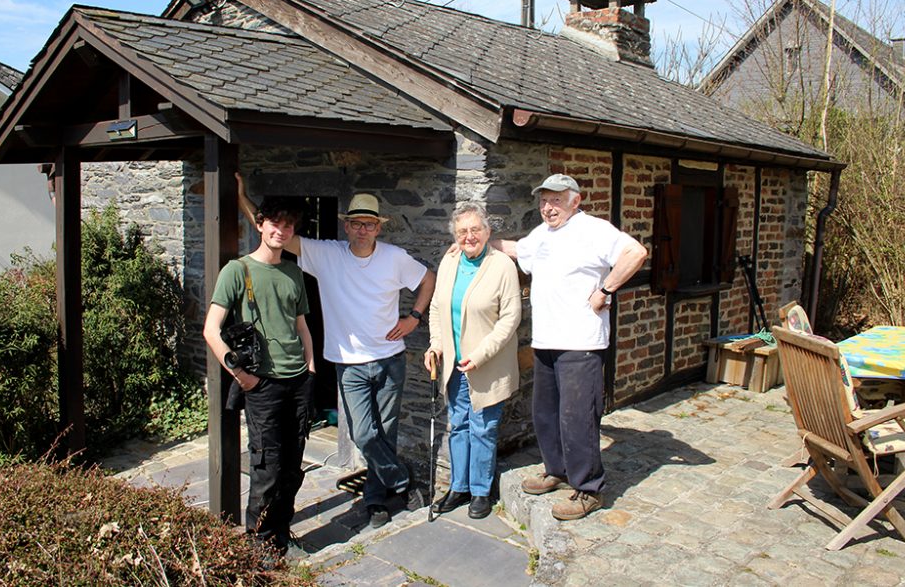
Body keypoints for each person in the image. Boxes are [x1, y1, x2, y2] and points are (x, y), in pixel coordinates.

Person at [236, 177, 436, 529]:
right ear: (347, 226)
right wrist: (242, 197)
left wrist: (414, 318)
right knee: (364, 434)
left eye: (369, 224)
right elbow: (274, 232)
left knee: (384, 433)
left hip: (391, 359)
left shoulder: (395, 258)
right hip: (350, 365)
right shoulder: (327, 254)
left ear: (378, 228)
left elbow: (428, 279)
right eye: (356, 223)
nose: (362, 229)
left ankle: (376, 500)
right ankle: (402, 481)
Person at [493, 173, 648, 520]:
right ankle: (558, 471)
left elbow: (636, 252)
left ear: (575, 201)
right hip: (546, 340)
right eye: (544, 201)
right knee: (546, 414)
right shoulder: (542, 234)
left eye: (556, 200)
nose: (549, 207)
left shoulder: (594, 230)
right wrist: (478, 240)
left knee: (578, 418)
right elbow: (519, 249)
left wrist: (605, 290)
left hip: (581, 343)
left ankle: (589, 488)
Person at [202, 196, 314, 555]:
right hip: (262, 384)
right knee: (267, 465)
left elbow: (302, 325)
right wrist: (241, 375)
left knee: (293, 466)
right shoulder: (238, 270)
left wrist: (311, 368)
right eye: (275, 224)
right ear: (260, 224)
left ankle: (281, 532)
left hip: (298, 380)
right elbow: (211, 329)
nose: (281, 231)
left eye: (289, 226)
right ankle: (260, 543)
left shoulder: (293, 271)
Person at [423, 202, 521, 519]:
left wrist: (480, 356)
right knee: (458, 426)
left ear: (487, 232)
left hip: (486, 365)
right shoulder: (450, 261)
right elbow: (437, 308)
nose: (469, 237)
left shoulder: (502, 266)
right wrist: (435, 345)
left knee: (483, 428)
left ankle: (480, 491)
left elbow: (510, 319)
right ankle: (459, 487)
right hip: (454, 365)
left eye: (475, 230)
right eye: (462, 231)